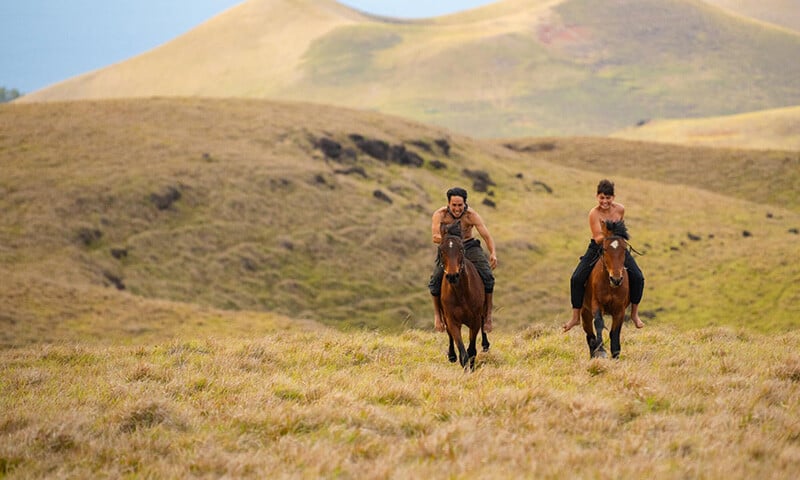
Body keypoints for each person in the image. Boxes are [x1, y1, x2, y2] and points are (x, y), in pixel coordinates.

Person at [563, 179, 645, 332]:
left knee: (638, 277)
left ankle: (634, 314)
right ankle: (575, 317)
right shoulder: (594, 213)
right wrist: (611, 235)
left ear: (613, 198)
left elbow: (621, 230)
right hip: (598, 246)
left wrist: (616, 240)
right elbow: (597, 236)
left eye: (608, 198)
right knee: (576, 278)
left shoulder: (620, 209)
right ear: (597, 197)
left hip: (617, 248)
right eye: (602, 198)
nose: (605, 201)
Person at [429, 187, 497, 332]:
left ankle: (488, 316)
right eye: (454, 205)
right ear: (448, 203)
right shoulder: (440, 215)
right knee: (435, 279)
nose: (457, 208)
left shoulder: (470, 215)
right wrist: (449, 241)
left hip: (469, 246)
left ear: (464, 204)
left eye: (460, 205)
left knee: (488, 276)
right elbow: (435, 236)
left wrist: (493, 253)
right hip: (449, 247)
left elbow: (486, 235)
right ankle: (438, 317)